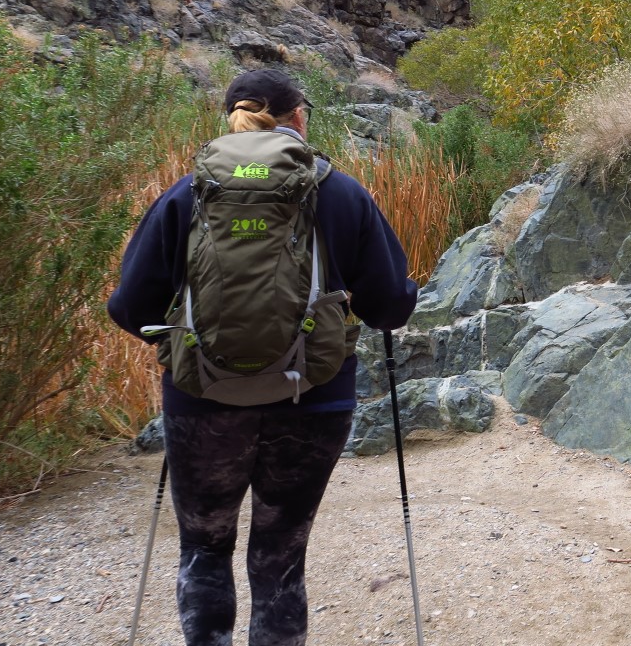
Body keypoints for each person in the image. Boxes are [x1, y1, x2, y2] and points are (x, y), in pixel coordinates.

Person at [108, 69, 419, 646]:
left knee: (204, 547)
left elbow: (130, 307)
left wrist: (183, 343)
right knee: (279, 556)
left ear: (231, 118)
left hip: (201, 400)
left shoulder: (187, 194)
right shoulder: (342, 193)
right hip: (314, 399)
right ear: (298, 119)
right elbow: (390, 309)